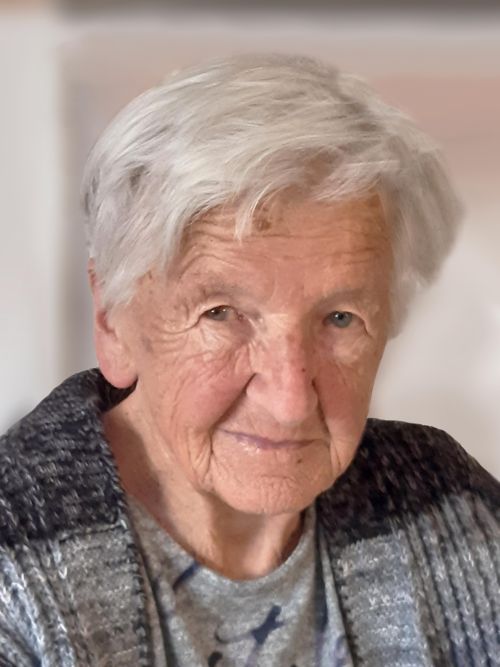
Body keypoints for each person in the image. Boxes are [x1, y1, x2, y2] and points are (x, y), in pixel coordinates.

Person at [0, 53, 498, 667]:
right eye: (221, 314)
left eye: (341, 318)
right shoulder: (13, 566)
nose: (290, 401)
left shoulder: (448, 505)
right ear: (112, 320)